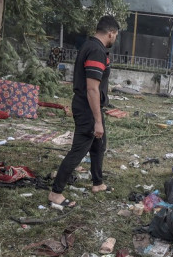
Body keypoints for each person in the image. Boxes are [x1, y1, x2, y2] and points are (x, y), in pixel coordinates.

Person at [48, 15, 120, 208]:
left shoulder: (90, 46)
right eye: (116, 35)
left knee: (99, 144)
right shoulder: (96, 51)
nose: (115, 39)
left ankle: (98, 183)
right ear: (111, 33)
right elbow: (92, 89)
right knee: (79, 150)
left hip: (89, 105)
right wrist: (97, 120)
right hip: (88, 107)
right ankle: (56, 193)